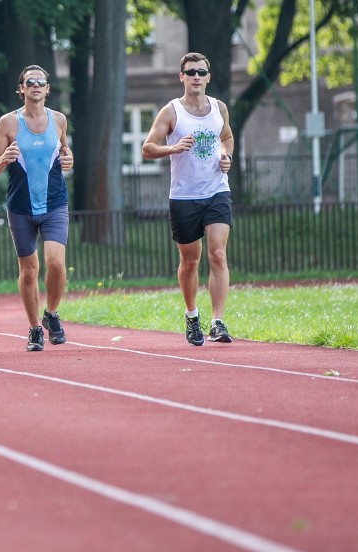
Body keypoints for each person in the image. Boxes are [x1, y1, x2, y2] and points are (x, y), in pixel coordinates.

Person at [141, 52, 234, 346]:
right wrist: (175, 148)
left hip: (217, 190)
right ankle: (192, 315)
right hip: (184, 196)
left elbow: (227, 137)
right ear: (181, 77)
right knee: (190, 261)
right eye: (190, 72)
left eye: (201, 72)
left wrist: (225, 155)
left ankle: (217, 322)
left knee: (217, 253)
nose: (196, 76)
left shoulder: (219, 108)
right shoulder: (171, 112)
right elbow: (147, 148)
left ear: (208, 77)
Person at [0, 65, 74, 352]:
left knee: (55, 262)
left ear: (48, 89)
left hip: (55, 203)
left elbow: (63, 152)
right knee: (28, 270)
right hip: (21, 206)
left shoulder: (59, 120)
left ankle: (52, 313)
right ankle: (35, 328)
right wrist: (3, 159)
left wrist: (68, 160)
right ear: (21, 88)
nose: (35, 85)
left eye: (41, 82)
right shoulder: (8, 123)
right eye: (30, 82)